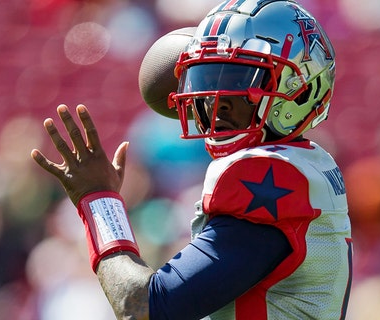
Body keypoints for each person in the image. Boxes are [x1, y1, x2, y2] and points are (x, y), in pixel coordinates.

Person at [30, 0, 352, 319]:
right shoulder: (310, 165)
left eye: (240, 80)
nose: (217, 102)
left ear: (298, 89)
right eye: (210, 80)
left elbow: (142, 307)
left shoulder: (271, 174)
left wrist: (98, 201)